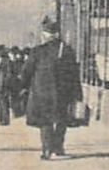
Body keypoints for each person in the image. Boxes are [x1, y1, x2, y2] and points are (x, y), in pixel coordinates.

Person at [22, 16, 82, 160]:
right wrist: (77, 93)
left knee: (45, 121)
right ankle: (58, 147)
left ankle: (47, 149)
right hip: (63, 92)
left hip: (42, 94)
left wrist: (23, 87)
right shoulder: (67, 50)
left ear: (44, 35)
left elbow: (26, 72)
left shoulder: (37, 51)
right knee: (62, 119)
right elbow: (74, 73)